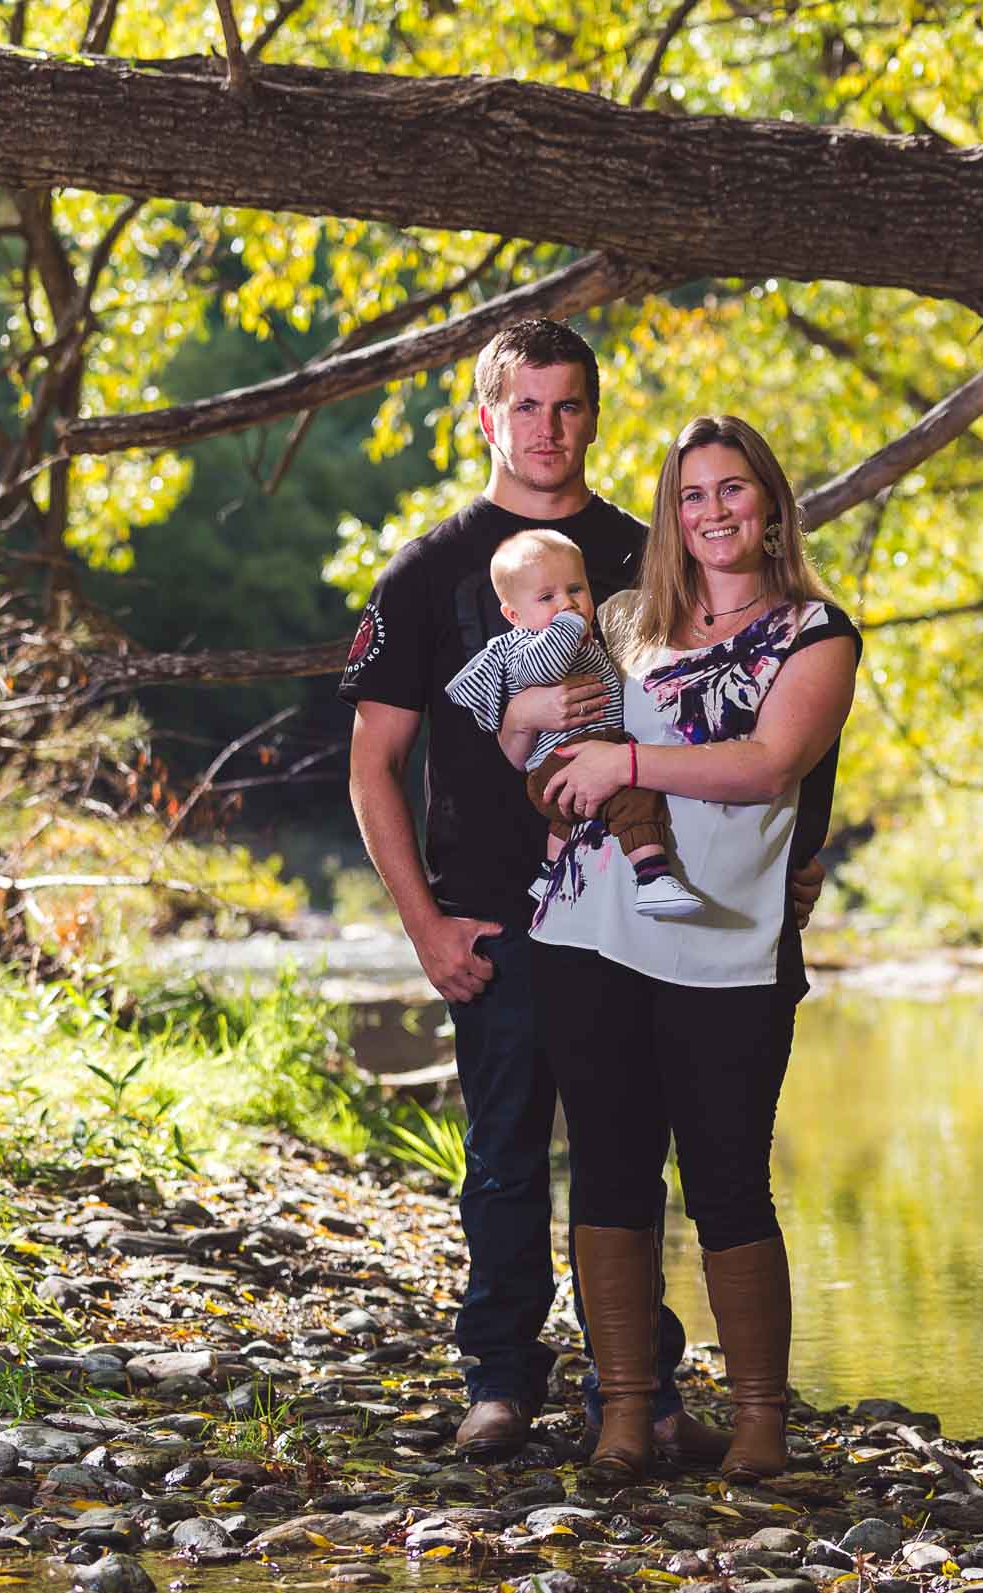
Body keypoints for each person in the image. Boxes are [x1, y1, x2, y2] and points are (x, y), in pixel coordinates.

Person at [342, 319, 817, 1461]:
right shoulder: (430, 568)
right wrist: (423, 924)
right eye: (525, 406)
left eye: (569, 407)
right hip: (497, 912)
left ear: (593, 416)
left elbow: (763, 705)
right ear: (486, 416)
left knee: (626, 1151)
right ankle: (499, 1380)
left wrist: (794, 873)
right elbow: (371, 761)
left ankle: (639, 1391)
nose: (547, 430)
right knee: (506, 1154)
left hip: (629, 911)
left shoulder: (646, 551)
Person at [516, 414, 861, 1484]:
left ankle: (759, 1425)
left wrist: (628, 757)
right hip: (590, 933)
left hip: (727, 946)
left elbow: (767, 765)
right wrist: (550, 773)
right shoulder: (618, 620)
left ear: (769, 504)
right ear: (671, 513)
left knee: (727, 1181)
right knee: (611, 1175)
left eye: (731, 489)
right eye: (691, 493)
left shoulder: (816, 632)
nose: (712, 511)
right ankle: (626, 1417)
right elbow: (546, 748)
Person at [442, 528, 699, 917]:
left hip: (584, 753)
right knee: (633, 797)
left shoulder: (587, 641)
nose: (567, 603)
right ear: (514, 615)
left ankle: (549, 873)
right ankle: (651, 876)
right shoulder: (524, 647)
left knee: (569, 823)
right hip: (557, 764)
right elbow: (543, 667)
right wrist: (567, 624)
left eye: (576, 590)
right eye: (547, 597)